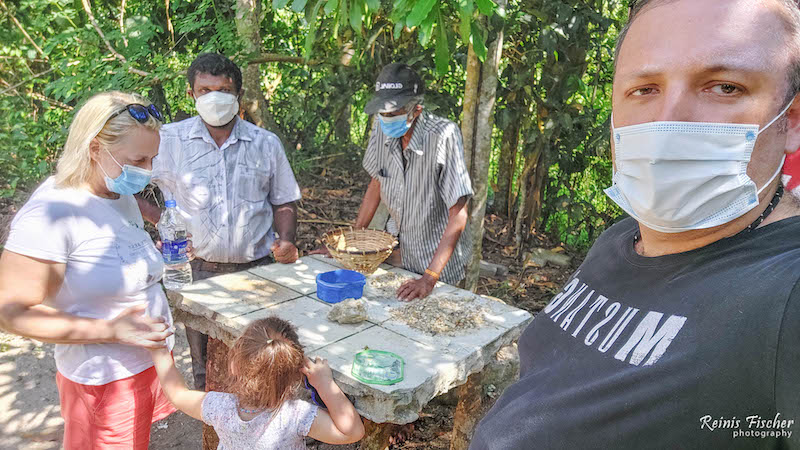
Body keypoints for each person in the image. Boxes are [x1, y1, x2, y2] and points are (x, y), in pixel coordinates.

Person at [471, 0, 800, 448]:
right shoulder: (623, 237)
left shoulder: (785, 293)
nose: (669, 119)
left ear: (792, 120)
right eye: (644, 89)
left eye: (724, 87)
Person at [0, 91, 176, 449]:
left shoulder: (117, 194)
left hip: (141, 366)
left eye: (151, 159)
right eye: (137, 159)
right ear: (95, 147)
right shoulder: (51, 213)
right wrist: (110, 330)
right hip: (102, 382)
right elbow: (11, 313)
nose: (146, 171)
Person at [137, 53, 303, 390]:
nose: (215, 97)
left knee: (260, 361)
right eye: (205, 89)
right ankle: (213, 434)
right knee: (206, 365)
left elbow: (284, 199)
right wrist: (161, 221)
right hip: (196, 270)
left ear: (239, 97)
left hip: (257, 271)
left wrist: (286, 239)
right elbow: (126, 184)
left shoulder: (265, 144)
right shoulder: (168, 140)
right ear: (191, 94)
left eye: (224, 89)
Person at [317, 63, 473, 301]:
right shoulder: (382, 130)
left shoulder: (443, 136)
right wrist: (348, 246)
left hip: (435, 266)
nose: (386, 119)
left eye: (393, 114)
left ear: (416, 110)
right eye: (383, 113)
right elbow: (376, 184)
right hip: (395, 257)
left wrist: (430, 277)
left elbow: (459, 214)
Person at [148, 316, 365, 448]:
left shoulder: (219, 407)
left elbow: (177, 394)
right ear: (298, 375)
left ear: (234, 364)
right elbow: (352, 432)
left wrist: (158, 348)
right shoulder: (296, 416)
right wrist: (325, 384)